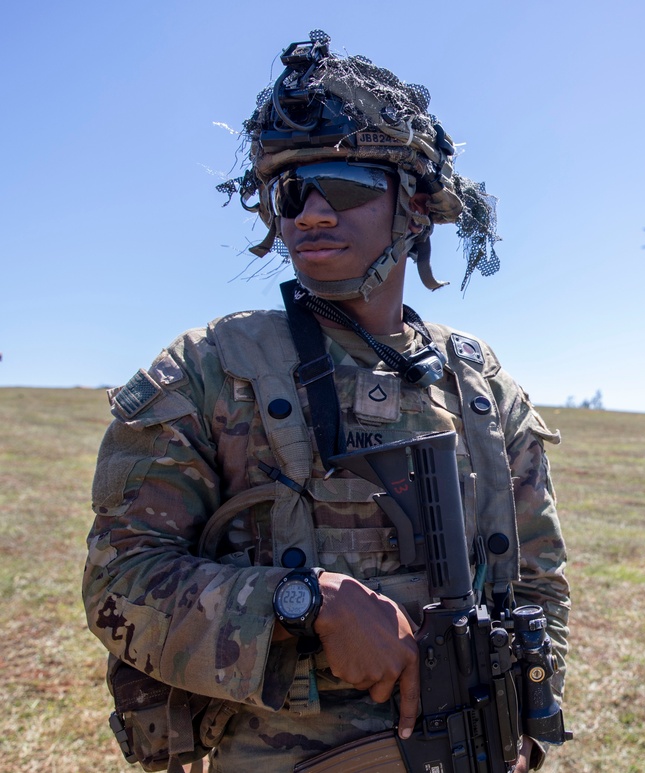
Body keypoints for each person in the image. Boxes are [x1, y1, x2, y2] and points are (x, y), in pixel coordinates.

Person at [82, 30, 570, 773]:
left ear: (413, 208)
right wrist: (307, 602)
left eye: (341, 185)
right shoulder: (209, 371)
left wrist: (528, 728)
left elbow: (538, 581)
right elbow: (120, 583)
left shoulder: (479, 385)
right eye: (289, 192)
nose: (308, 213)